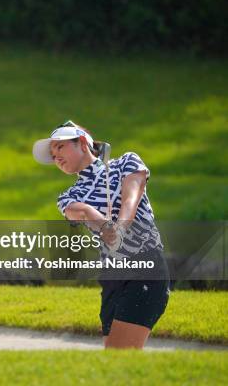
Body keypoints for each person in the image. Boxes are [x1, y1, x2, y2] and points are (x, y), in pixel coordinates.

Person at [32, 120, 170, 349]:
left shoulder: (126, 161)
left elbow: (131, 198)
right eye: (52, 154)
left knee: (121, 354)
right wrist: (106, 227)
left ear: (83, 144)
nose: (55, 157)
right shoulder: (69, 195)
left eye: (60, 147)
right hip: (112, 277)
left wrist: (121, 228)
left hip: (144, 266)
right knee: (114, 360)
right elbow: (82, 212)